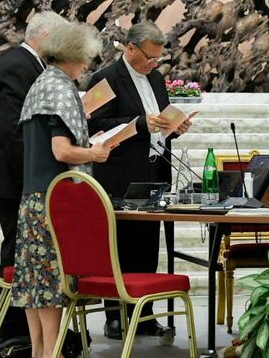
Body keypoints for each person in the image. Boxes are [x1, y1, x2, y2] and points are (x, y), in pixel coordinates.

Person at [11, 21, 111, 358]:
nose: (86, 66)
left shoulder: (40, 84)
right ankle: (51, 353)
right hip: (53, 202)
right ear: (73, 55)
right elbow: (62, 151)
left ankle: (41, 352)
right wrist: (94, 152)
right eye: (85, 60)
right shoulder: (61, 88)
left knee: (33, 284)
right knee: (52, 284)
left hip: (32, 198)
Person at [87, 21, 190, 340]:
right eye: (149, 57)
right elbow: (93, 126)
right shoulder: (105, 78)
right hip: (118, 176)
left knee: (147, 247)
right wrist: (139, 123)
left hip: (153, 172)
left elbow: (159, 120)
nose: (154, 64)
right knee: (119, 247)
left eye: (158, 58)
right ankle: (116, 317)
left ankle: (144, 316)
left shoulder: (156, 79)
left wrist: (174, 127)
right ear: (130, 48)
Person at [0, 11, 67, 345]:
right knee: (19, 252)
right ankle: (12, 334)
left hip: (18, 173)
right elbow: (15, 132)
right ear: (45, 36)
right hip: (13, 175)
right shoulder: (17, 66)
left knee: (25, 252)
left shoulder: (30, 65)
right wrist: (35, 178)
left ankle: (26, 331)